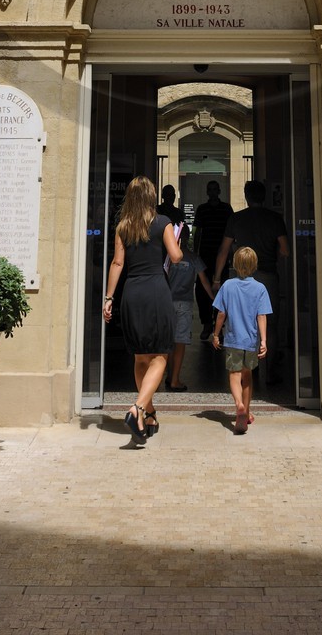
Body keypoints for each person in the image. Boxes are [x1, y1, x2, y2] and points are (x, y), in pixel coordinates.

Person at [102, 176, 182, 442]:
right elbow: (175, 256)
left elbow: (117, 263)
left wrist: (109, 298)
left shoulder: (123, 227)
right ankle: (137, 408)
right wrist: (178, 244)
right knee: (160, 356)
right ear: (151, 196)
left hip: (131, 293)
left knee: (139, 357)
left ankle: (148, 414)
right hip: (156, 291)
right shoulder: (162, 223)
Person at [213, 181, 288, 384]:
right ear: (263, 196)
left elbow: (223, 250)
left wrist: (217, 278)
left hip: (241, 278)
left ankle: (249, 369)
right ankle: (269, 373)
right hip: (268, 275)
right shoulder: (275, 219)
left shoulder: (236, 219)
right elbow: (285, 249)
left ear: (246, 196)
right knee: (269, 325)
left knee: (242, 323)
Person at [210, 246, 271, 434]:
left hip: (233, 339)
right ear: (254, 265)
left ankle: (238, 406)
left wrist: (215, 334)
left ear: (235, 264)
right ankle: (247, 409)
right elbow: (262, 316)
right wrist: (263, 341)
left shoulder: (228, 285)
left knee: (234, 375)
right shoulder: (260, 288)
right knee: (247, 376)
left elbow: (221, 313)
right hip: (251, 340)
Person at [164, 223, 214, 390]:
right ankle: (175, 379)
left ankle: (169, 375)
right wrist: (213, 298)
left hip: (167, 301)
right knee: (180, 342)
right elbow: (204, 281)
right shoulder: (193, 257)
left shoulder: (167, 257)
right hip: (184, 303)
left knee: (169, 341)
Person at [192, 180, 233, 338]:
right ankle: (206, 324)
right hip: (205, 255)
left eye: (215, 188)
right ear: (207, 192)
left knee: (223, 290)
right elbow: (197, 232)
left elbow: (231, 231)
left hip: (222, 255)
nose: (213, 191)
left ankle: (219, 325)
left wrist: (230, 252)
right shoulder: (202, 209)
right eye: (210, 189)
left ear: (219, 190)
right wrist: (195, 253)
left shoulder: (226, 209)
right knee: (202, 291)